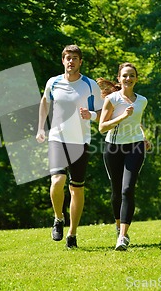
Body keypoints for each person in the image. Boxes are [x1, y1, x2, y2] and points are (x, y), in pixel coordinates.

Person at [36, 45, 103, 249]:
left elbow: (103, 113)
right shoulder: (53, 82)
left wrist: (90, 115)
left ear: (80, 62)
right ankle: (58, 218)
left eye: (75, 58)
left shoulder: (90, 85)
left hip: (80, 141)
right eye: (68, 58)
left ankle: (72, 233)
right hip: (57, 138)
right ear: (63, 61)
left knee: (76, 189)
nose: (71, 61)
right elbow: (45, 102)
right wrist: (41, 128)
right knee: (57, 181)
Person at [97, 62, 149, 251]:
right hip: (113, 148)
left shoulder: (142, 100)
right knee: (117, 191)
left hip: (135, 147)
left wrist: (144, 137)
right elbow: (102, 127)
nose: (128, 79)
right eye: (125, 75)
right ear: (119, 78)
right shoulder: (112, 99)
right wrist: (121, 117)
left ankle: (122, 237)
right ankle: (119, 225)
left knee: (128, 189)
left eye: (132, 75)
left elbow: (137, 122)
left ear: (136, 78)